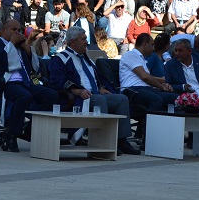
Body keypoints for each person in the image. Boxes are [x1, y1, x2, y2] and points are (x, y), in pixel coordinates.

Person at [48, 26, 140, 155]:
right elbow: (56, 81)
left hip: (95, 94)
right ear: (73, 41)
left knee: (121, 99)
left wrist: (101, 88)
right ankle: (103, 141)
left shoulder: (87, 59)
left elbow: (97, 78)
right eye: (83, 39)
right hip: (80, 97)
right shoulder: (61, 58)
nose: (87, 42)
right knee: (100, 100)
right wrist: (77, 91)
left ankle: (121, 140)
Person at [0, 20, 60, 152]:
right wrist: (12, 44)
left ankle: (29, 130)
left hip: (26, 82)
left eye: (19, 30)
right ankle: (12, 135)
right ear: (4, 31)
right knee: (24, 96)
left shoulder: (19, 46)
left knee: (51, 95)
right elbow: (5, 62)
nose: (17, 33)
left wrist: (28, 50)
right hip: (6, 83)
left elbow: (34, 68)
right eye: (14, 30)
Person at [118, 33, 178, 111]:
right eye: (152, 44)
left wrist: (163, 85)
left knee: (174, 98)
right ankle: (147, 123)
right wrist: (161, 86)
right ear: (145, 44)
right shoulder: (131, 55)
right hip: (131, 90)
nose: (153, 48)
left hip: (145, 89)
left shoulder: (142, 59)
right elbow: (145, 76)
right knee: (156, 100)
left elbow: (147, 77)